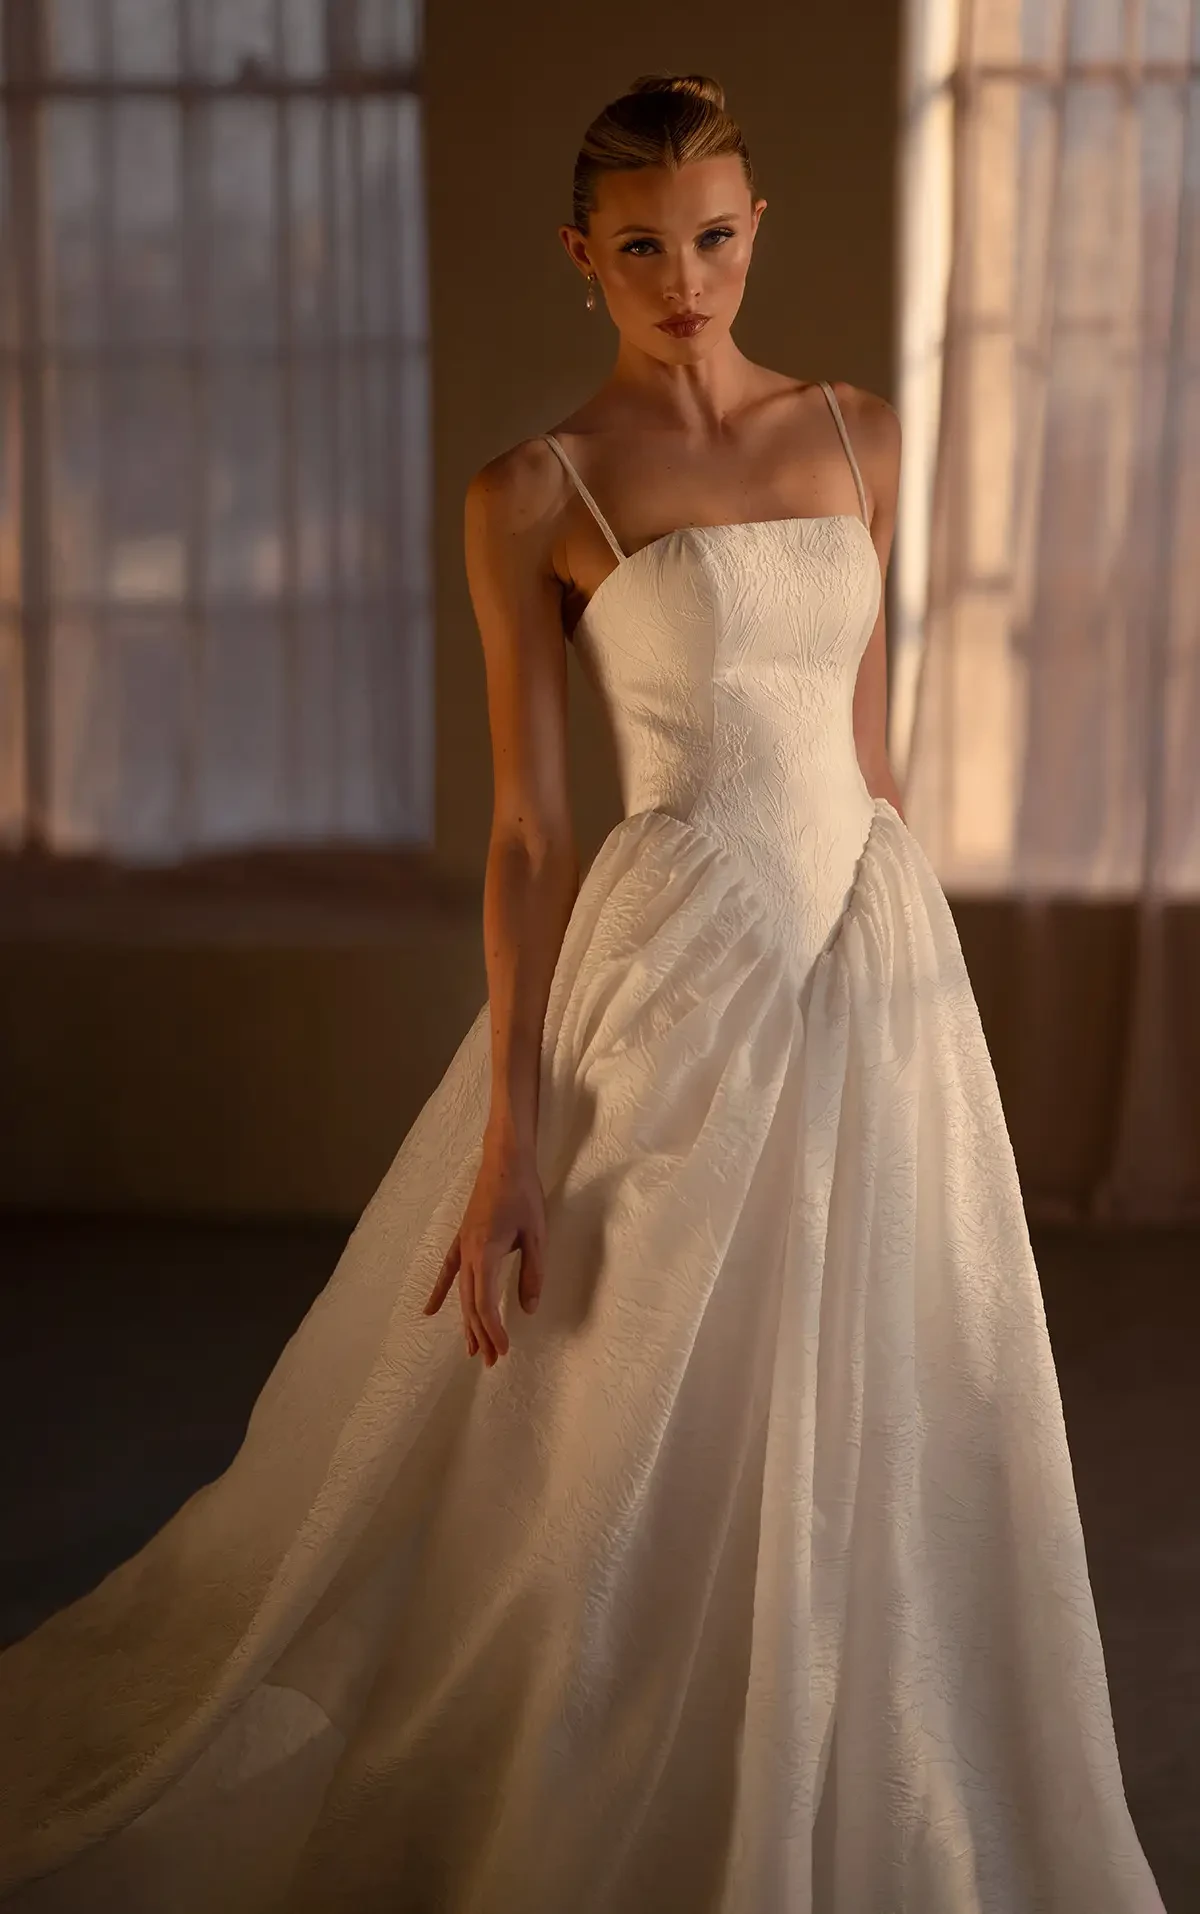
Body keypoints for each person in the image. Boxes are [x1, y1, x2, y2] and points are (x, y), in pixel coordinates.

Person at [0, 70, 1168, 1914]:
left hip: (870, 969)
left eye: (712, 237)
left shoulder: (860, 430)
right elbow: (533, 833)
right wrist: (509, 1137)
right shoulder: (534, 488)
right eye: (641, 248)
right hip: (675, 970)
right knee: (619, 1434)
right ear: (582, 255)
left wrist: (912, 995)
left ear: (755, 228)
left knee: (893, 1396)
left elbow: (872, 764)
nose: (683, 280)